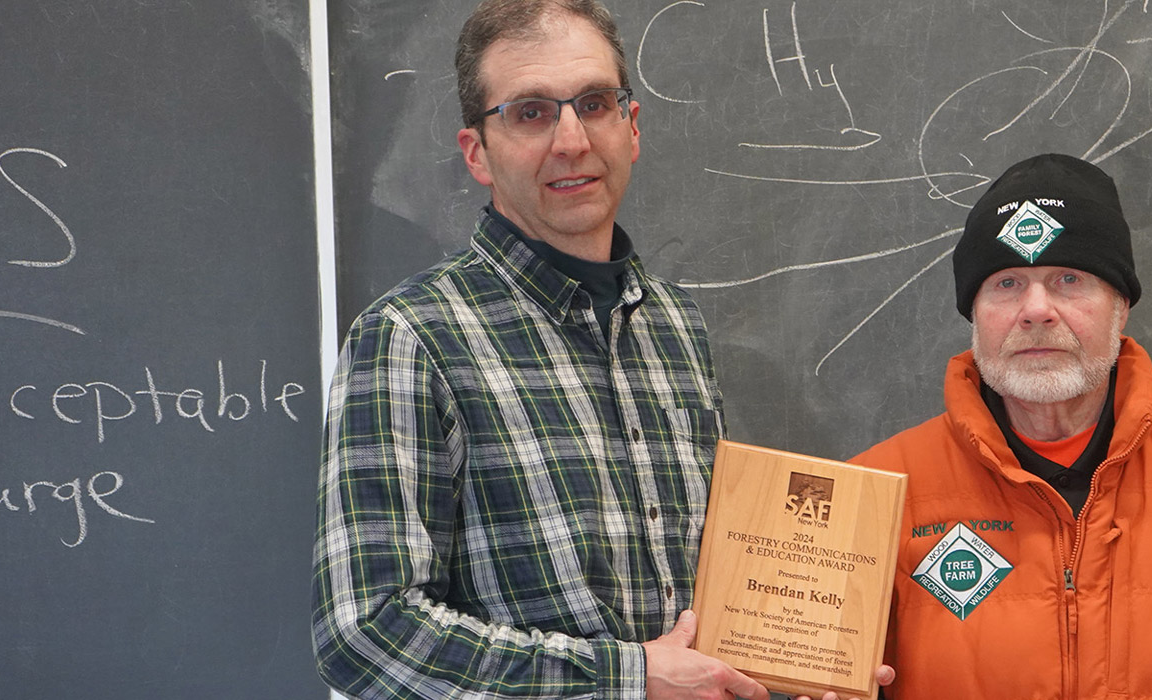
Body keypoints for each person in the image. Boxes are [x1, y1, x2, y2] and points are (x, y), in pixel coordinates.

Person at [312, 2, 890, 698]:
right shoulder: (411, 338)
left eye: (593, 103)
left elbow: (709, 612)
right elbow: (367, 632)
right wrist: (628, 678)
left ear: (632, 126)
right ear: (477, 153)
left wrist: (800, 662)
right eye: (529, 112)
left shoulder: (677, 328)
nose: (571, 139)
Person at [852, 154, 1152, 699]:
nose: (1036, 310)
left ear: (1120, 307)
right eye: (1008, 282)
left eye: (1069, 278)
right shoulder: (876, 491)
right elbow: (812, 671)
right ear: (976, 315)